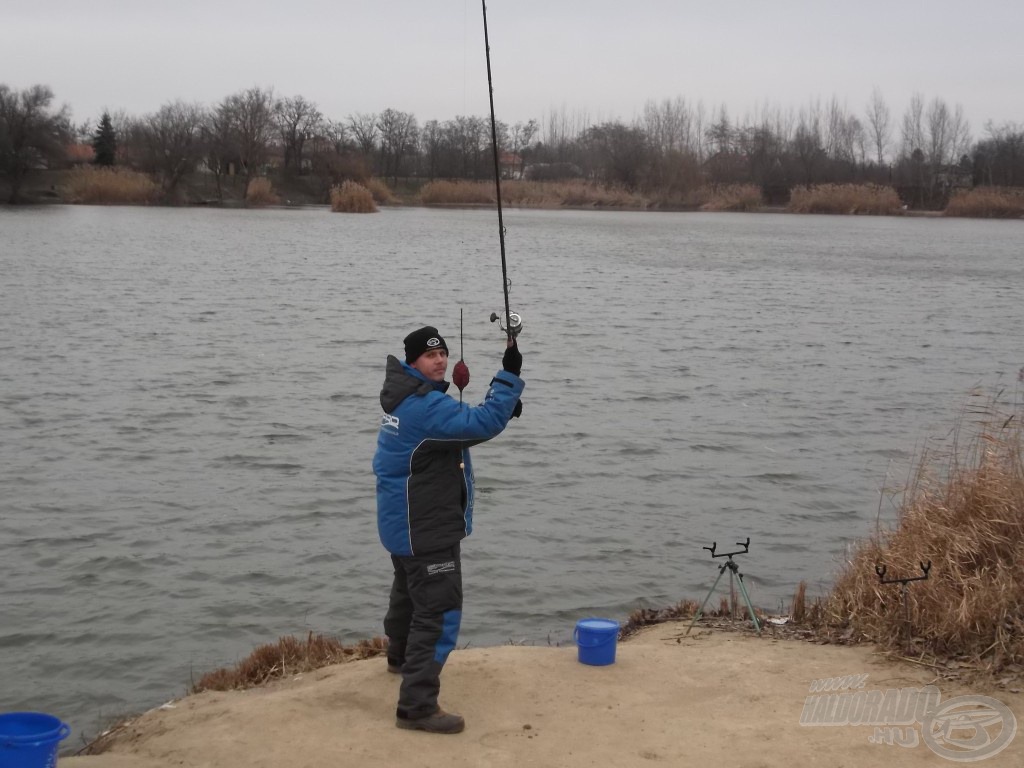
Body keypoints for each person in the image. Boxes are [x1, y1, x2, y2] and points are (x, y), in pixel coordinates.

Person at [373, 325, 524, 734]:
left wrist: (502, 406)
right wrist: (508, 376)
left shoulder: (403, 397)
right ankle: (417, 706)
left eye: (442, 354)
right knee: (438, 610)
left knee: (407, 596)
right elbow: (483, 422)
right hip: (427, 529)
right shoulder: (425, 409)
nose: (439, 360)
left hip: (402, 526)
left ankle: (400, 658)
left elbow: (459, 429)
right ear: (412, 362)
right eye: (429, 356)